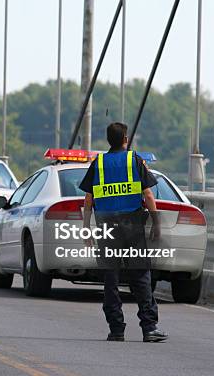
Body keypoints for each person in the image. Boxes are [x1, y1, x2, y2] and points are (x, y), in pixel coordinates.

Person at [78, 122, 168, 343]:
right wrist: (156, 223)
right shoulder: (134, 160)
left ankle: (116, 329)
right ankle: (149, 328)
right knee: (140, 276)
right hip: (133, 226)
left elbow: (88, 200)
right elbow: (147, 195)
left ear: (109, 140)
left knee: (111, 278)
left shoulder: (98, 163)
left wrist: (86, 228)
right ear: (125, 139)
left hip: (106, 227)